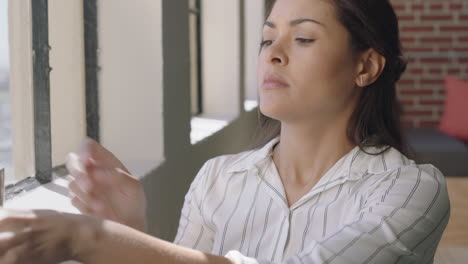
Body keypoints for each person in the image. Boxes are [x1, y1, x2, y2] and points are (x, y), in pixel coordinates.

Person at [0, 0, 450, 263]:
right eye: (266, 38)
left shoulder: (412, 190)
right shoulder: (217, 177)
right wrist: (129, 227)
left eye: (304, 38)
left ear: (365, 66)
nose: (273, 53)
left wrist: (90, 238)